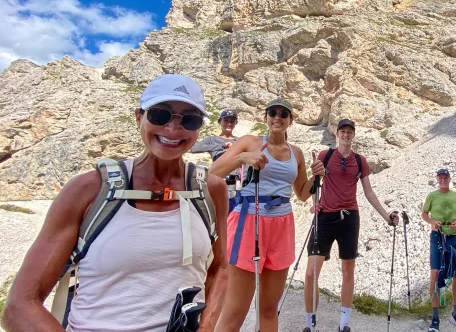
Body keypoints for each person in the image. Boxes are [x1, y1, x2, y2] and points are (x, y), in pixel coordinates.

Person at [2, 74, 228, 332]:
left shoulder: (210, 190)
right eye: (160, 115)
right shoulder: (88, 190)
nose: (173, 129)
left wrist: (207, 326)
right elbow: (19, 307)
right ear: (138, 117)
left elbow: (220, 267)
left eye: (189, 119)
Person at [209, 98, 324, 332]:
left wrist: (317, 177)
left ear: (290, 120)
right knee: (236, 310)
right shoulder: (249, 142)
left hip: (282, 225)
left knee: (269, 309)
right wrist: (242, 158)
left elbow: (302, 194)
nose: (277, 117)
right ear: (266, 117)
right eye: (273, 112)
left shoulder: (297, 153)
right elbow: (213, 173)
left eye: (284, 113)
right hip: (248, 220)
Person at [303, 119, 399, 332]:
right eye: (343, 131)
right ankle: (310, 323)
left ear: (353, 135)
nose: (346, 135)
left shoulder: (360, 160)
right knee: (311, 273)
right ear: (337, 134)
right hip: (325, 217)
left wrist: (386, 216)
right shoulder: (324, 156)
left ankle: (344, 324)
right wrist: (315, 204)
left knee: (348, 271)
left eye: (350, 132)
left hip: (349, 218)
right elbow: (315, 184)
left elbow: (368, 191)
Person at [422, 168, 456, 332]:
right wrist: (432, 222)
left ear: (449, 179)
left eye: (445, 177)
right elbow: (424, 214)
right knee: (435, 273)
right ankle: (435, 318)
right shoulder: (431, 196)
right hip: (437, 237)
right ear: (437, 179)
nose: (443, 180)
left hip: (454, 237)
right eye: (440, 177)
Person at [191, 109, 240, 213]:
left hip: (235, 183)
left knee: (233, 216)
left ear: (236, 123)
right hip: (218, 181)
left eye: (232, 121)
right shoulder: (212, 139)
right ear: (220, 122)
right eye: (226, 120)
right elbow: (194, 148)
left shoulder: (239, 141)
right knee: (217, 214)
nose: (229, 123)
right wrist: (222, 146)